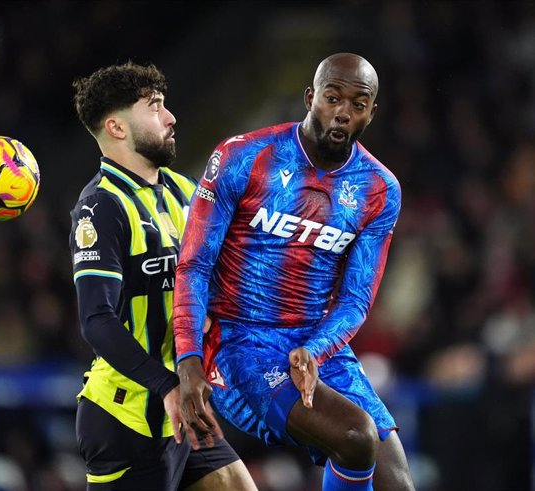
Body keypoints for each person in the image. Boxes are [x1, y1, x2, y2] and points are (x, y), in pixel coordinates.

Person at [173, 53, 415, 491]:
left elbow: (357, 298)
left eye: (358, 104)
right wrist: (187, 360)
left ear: (371, 113)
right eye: (332, 97)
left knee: (396, 480)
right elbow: (194, 264)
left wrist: (316, 350)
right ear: (310, 98)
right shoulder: (243, 156)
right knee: (354, 437)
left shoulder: (379, 189)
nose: (343, 112)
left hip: (315, 342)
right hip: (241, 341)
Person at [69, 62, 256, 491]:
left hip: (184, 406)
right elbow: (96, 319)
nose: (170, 117)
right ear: (116, 127)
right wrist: (167, 385)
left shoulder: (183, 190)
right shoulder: (102, 207)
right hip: (127, 418)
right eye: (154, 107)